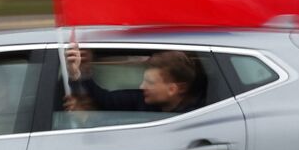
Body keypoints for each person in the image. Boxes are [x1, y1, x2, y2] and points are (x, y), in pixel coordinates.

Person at [63, 46, 204, 115]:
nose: (142, 86)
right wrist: (78, 72)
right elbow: (103, 99)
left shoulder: (197, 117)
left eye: (150, 82)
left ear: (173, 89)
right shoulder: (142, 99)